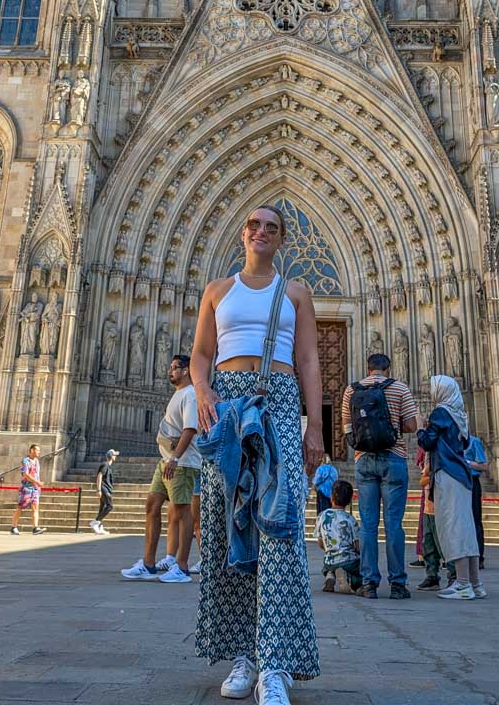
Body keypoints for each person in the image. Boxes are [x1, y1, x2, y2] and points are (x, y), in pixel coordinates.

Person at [192, 204, 322, 704]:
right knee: (229, 528)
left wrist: (315, 427)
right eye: (253, 225)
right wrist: (203, 390)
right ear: (242, 233)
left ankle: (275, 662)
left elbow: (308, 359)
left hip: (280, 400)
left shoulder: (296, 292)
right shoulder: (217, 290)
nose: (261, 232)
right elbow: (202, 354)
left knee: (279, 528)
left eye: (271, 227)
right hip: (227, 406)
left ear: (281, 239)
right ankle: (243, 655)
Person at [341, 353, 417, 600]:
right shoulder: (400, 388)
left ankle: (369, 583)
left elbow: (347, 427)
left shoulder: (351, 390)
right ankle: (397, 584)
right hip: (393, 457)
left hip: (364, 459)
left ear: (367, 368)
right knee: (393, 524)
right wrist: (391, 426)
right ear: (388, 369)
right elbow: (412, 425)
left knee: (368, 524)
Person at [122, 354, 200, 584]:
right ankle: (148, 563)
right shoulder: (179, 394)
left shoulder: (191, 394)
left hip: (181, 464)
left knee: (183, 511)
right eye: (170, 367)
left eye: (175, 367)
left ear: (186, 370)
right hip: (165, 461)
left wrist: (175, 458)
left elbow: (190, 429)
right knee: (152, 505)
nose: (170, 371)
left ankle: (182, 567)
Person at [417, 375, 484, 601]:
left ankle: (463, 584)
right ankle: (475, 583)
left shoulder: (440, 413)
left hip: (448, 473)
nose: (430, 392)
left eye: (433, 388)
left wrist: (420, 427)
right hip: (463, 475)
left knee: (454, 528)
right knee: (466, 528)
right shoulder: (459, 414)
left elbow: (427, 442)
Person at [314, 480, 362, 594]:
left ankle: (330, 575)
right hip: (348, 561)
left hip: (329, 561)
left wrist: (329, 549)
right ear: (349, 501)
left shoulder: (322, 516)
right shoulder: (350, 519)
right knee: (360, 572)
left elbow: (320, 542)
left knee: (328, 565)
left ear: (331, 497)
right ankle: (350, 579)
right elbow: (357, 546)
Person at [464, 432, 487, 569]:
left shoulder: (474, 442)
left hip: (472, 482)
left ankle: (478, 556)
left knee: (475, 520)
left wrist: (466, 462)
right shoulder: (451, 443)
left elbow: (484, 466)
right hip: (457, 482)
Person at [11, 445, 46, 535]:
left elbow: (36, 474)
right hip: (27, 488)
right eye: (37, 450)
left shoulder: (37, 461)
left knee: (35, 508)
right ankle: (14, 527)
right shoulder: (25, 461)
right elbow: (26, 474)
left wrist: (38, 484)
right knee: (20, 507)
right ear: (32, 450)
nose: (39, 452)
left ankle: (35, 528)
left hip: (35, 489)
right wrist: (37, 482)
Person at [90, 449, 119, 535]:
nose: (115, 457)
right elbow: (99, 476)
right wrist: (99, 489)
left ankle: (99, 527)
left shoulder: (108, 466)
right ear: (111, 456)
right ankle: (95, 522)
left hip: (106, 488)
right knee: (110, 506)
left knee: (102, 507)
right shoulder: (105, 465)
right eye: (114, 455)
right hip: (103, 488)